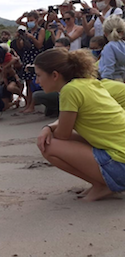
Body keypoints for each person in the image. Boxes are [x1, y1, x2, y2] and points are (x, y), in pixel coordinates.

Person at [35, 48, 125, 202]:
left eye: (38, 75)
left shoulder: (70, 91)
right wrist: (48, 127)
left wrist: (48, 131)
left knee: (48, 145)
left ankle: (103, 185)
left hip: (120, 164)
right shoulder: (87, 83)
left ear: (55, 75)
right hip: (120, 158)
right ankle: (100, 184)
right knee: (59, 138)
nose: (37, 81)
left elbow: (62, 134)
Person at [19, 11, 45, 113]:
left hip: (36, 57)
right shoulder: (28, 31)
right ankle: (28, 104)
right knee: (28, 82)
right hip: (27, 57)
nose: (29, 22)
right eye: (28, 20)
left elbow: (39, 45)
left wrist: (32, 38)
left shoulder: (40, 30)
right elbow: (18, 21)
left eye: (31, 20)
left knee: (34, 82)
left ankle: (32, 105)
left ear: (37, 20)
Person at [99, 15, 125, 81]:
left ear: (105, 33)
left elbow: (109, 67)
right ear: (122, 32)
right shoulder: (123, 45)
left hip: (111, 80)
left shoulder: (109, 47)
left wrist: (103, 81)